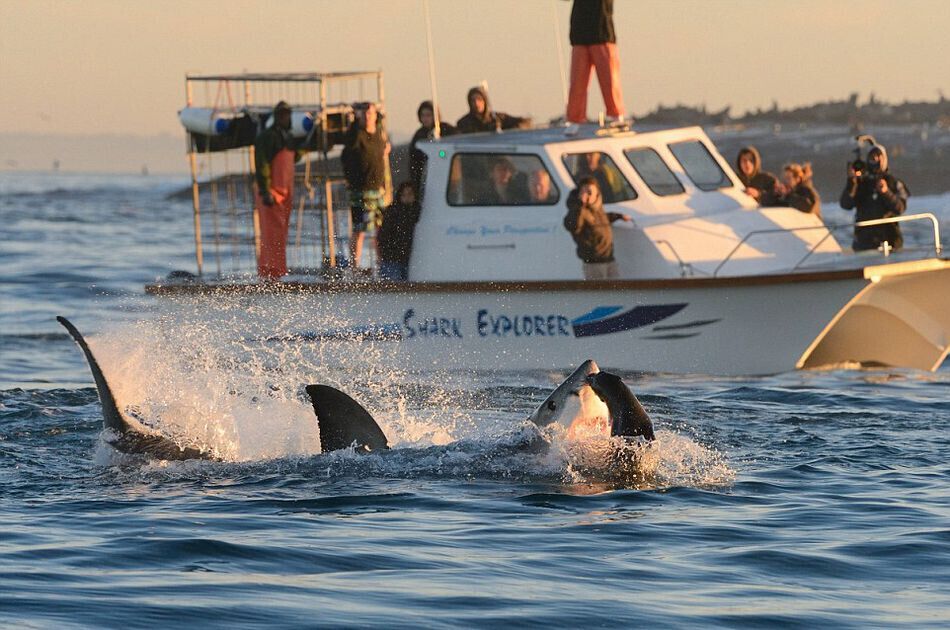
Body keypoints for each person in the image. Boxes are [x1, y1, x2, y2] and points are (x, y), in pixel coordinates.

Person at [253, 101, 302, 280]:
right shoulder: (267, 137)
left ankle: (278, 271)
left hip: (285, 194)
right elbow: (262, 165)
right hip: (272, 193)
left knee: (280, 234)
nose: (285, 118)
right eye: (282, 115)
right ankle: (269, 273)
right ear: (276, 117)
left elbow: (295, 156)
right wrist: (265, 191)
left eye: (287, 114)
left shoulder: (288, 137)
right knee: (270, 234)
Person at [342, 102, 391, 268]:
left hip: (378, 189)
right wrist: (355, 120)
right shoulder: (356, 135)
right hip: (360, 191)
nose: (367, 117)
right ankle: (354, 267)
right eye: (364, 114)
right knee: (360, 230)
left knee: (381, 228)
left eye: (370, 113)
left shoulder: (378, 133)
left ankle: (382, 263)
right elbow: (349, 146)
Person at [840, 144, 909, 251]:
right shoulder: (860, 183)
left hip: (890, 241)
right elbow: (846, 204)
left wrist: (886, 192)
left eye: (878, 156)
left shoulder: (894, 183)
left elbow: (900, 208)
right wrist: (851, 182)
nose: (875, 159)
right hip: (864, 243)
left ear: (884, 159)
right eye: (872, 157)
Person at [566, 0, 626, 124]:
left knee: (609, 79)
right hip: (580, 35)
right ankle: (574, 119)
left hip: (602, 34)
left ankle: (616, 115)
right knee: (577, 82)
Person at [563, 176, 632, 279]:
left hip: (608, 258)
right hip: (594, 262)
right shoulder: (578, 210)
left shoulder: (597, 209)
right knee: (599, 288)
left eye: (590, 192)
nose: (587, 195)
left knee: (615, 286)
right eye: (584, 192)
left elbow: (603, 219)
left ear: (596, 194)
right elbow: (573, 225)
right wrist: (580, 204)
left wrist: (619, 216)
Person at [377, 181, 422, 282]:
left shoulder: (417, 211)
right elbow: (383, 235)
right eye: (404, 195)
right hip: (392, 258)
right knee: (393, 286)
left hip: (408, 258)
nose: (407, 197)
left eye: (409, 194)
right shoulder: (393, 211)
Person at [409, 101, 457, 192]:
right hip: (428, 175)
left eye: (428, 115)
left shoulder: (447, 129)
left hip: (448, 173)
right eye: (423, 115)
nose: (425, 118)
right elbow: (414, 159)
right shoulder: (419, 135)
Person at [456, 86, 529, 134]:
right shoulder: (463, 122)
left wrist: (503, 130)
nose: (476, 103)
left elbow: (526, 123)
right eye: (473, 100)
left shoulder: (498, 118)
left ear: (485, 101)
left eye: (479, 99)